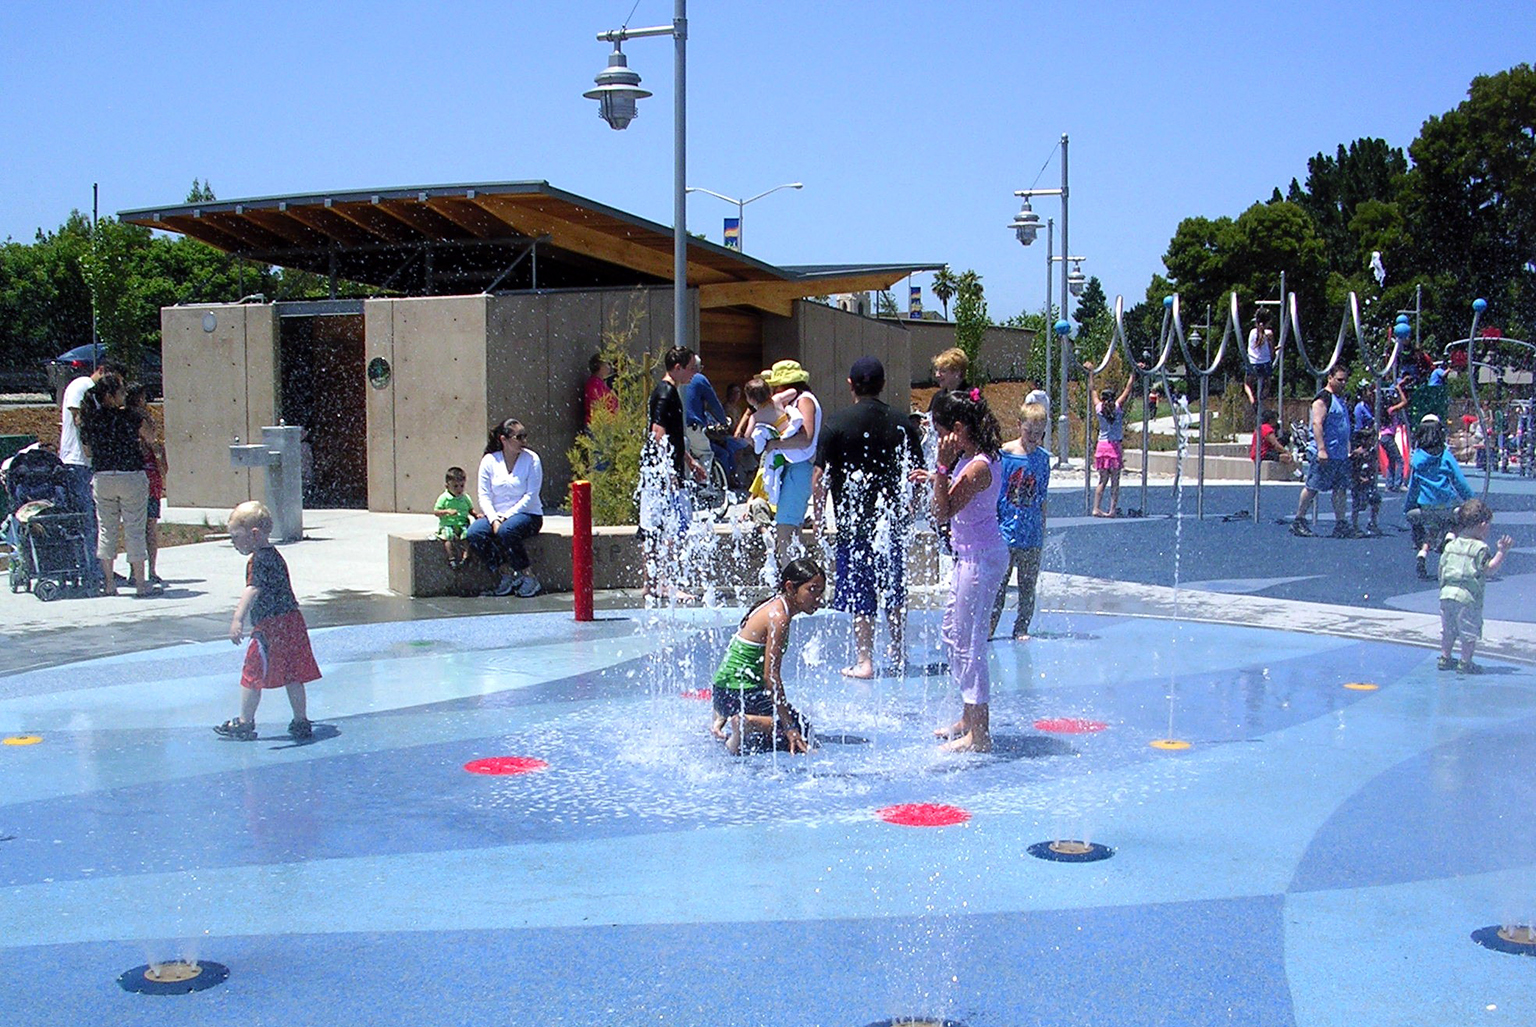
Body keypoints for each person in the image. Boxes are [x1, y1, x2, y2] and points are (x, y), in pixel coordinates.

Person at [811, 356, 923, 678]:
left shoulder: (836, 423)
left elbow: (819, 477)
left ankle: (865, 661)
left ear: (850, 384)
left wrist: (819, 518)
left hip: (853, 527)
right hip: (891, 526)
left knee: (861, 593)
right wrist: (911, 510)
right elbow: (916, 475)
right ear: (883, 385)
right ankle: (899, 653)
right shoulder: (902, 423)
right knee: (893, 589)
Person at [918, 388, 1010, 753]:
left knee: (970, 643)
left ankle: (980, 735)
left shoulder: (976, 466)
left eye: (940, 433)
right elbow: (956, 493)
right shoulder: (974, 457)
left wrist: (941, 468)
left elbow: (942, 513)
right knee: (953, 634)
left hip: (981, 559)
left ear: (957, 429)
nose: (938, 440)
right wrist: (935, 475)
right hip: (971, 556)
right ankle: (969, 717)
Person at [215, 501, 321, 740]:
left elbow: (252, 589)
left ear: (253, 534)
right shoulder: (275, 556)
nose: (233, 543)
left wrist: (237, 619)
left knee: (252, 672)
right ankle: (301, 720)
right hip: (292, 621)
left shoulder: (258, 560)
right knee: (293, 673)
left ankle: (244, 723)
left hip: (269, 627)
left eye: (235, 537)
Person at [709, 558, 826, 756]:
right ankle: (745, 723)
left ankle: (734, 718)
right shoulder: (778, 617)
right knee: (803, 734)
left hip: (725, 692)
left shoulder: (772, 605)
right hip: (739, 692)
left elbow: (736, 658)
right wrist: (789, 727)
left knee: (794, 726)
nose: (818, 599)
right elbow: (771, 677)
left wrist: (722, 708)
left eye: (820, 592)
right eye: (812, 590)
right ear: (790, 587)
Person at [640, 347, 706, 598]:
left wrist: (689, 461)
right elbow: (658, 434)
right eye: (691, 368)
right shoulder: (666, 393)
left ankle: (652, 583)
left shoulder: (667, 391)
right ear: (677, 367)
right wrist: (669, 475)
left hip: (661, 472)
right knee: (669, 528)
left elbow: (672, 437)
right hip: (663, 476)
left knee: (654, 527)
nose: (695, 373)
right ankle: (662, 583)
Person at [80, 372, 153, 597]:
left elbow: (88, 450)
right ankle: (141, 584)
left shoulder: (91, 418)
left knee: (106, 530)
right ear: (111, 396)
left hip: (103, 476)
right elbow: (150, 437)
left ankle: (109, 583)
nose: (124, 395)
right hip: (130, 474)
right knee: (134, 529)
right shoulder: (130, 417)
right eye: (121, 391)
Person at [991, 401, 1050, 640]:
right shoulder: (1004, 455)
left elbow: (1043, 497)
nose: (1034, 437)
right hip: (1005, 531)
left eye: (1039, 433)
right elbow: (994, 493)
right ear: (1019, 426)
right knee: (998, 586)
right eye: (1029, 431)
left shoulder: (1043, 459)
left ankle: (1021, 627)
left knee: (1027, 586)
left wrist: (1042, 528)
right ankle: (989, 626)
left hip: (1031, 533)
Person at [467, 418, 544, 597]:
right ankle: (505, 571)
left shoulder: (532, 459)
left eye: (525, 436)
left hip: (527, 514)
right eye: (519, 437)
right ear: (504, 439)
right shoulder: (489, 461)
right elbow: (484, 495)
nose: (524, 441)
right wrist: (493, 518)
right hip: (496, 515)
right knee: (475, 533)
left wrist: (503, 518)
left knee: (507, 531)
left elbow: (531, 495)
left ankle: (528, 576)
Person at [58, 360, 117, 588]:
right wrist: (89, 447)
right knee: (87, 520)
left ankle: (101, 567)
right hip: (77, 462)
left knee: (97, 519)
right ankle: (92, 569)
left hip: (88, 464)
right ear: (100, 371)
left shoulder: (91, 391)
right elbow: (78, 418)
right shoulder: (82, 385)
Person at [1437, 498, 1513, 675]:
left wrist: (1443, 586)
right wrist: (1502, 552)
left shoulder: (1451, 545)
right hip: (1467, 597)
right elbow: (1489, 569)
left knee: (1448, 629)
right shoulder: (1480, 548)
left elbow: (1442, 567)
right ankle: (1465, 662)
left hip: (1447, 594)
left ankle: (1445, 657)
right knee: (1468, 631)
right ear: (1482, 524)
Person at [758, 360, 821, 567]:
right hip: (794, 469)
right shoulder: (796, 401)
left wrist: (775, 444)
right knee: (790, 530)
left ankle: (794, 581)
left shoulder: (804, 400)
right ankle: (795, 581)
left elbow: (806, 437)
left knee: (786, 528)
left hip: (800, 469)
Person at [1405, 413, 1474, 579]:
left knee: (1433, 525)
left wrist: (1409, 507)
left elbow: (1413, 488)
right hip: (1447, 505)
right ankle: (1450, 536)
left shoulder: (1417, 459)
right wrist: (1472, 500)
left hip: (1426, 508)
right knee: (1456, 519)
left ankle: (1423, 552)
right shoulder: (1445, 456)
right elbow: (1459, 482)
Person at [1292, 365, 1353, 538]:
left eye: (1345, 380)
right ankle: (1299, 520)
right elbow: (1317, 423)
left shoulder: (1340, 399)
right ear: (1330, 378)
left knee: (1340, 489)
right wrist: (1321, 449)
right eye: (1339, 379)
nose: (1343, 383)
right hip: (1326, 453)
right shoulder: (1323, 399)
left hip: (1340, 454)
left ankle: (1341, 523)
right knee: (1312, 487)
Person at [126, 383, 167, 586]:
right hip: (144, 480)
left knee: (139, 527)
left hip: (146, 481)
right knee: (147, 527)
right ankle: (147, 570)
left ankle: (138, 571)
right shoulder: (136, 419)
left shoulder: (126, 418)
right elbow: (160, 460)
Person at [743, 376, 802, 509]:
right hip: (790, 441)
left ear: (750, 399)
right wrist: (783, 400)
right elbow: (793, 391)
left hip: (775, 448)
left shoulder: (756, 417)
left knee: (771, 476)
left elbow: (747, 436)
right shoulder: (777, 400)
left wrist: (757, 444)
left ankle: (769, 503)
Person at [1087, 371, 1136, 517]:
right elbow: (1127, 389)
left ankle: (1096, 507)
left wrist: (1091, 374)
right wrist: (1133, 373)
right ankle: (1112, 510)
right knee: (1115, 481)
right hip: (1114, 447)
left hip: (1101, 446)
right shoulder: (1117, 407)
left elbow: (1092, 390)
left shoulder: (1099, 408)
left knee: (1102, 480)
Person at [683, 358, 730, 482]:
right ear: (696, 367)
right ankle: (704, 485)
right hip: (692, 426)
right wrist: (723, 421)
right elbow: (714, 403)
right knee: (705, 453)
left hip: (675, 426)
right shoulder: (699, 378)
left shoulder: (677, 378)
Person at [433, 466, 477, 570]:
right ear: (447, 486)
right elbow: (436, 512)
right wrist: (447, 511)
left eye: (461, 486)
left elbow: (471, 509)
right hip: (448, 524)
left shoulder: (465, 498)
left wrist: (476, 515)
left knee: (467, 536)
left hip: (462, 524)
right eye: (455, 486)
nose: (459, 489)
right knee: (448, 538)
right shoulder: (444, 498)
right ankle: (451, 558)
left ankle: (466, 555)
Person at [1349, 425, 1383, 537]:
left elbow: (1373, 466)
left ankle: (1372, 522)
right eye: (1371, 439)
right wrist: (1359, 478)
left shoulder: (1372, 452)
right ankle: (1354, 524)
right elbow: (1352, 470)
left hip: (1370, 482)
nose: (1372, 442)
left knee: (1375, 500)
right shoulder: (1357, 454)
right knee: (1358, 505)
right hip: (1358, 484)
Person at [1381, 378, 1410, 490]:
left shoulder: (1383, 409)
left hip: (1384, 437)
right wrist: (1399, 390)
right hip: (1388, 437)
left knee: (1392, 461)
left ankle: (1389, 484)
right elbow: (1404, 402)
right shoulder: (1391, 409)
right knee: (1399, 460)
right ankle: (1398, 483)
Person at [1243, 314, 1277, 406]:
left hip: (1253, 364)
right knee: (1268, 383)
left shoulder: (1252, 332)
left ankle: (1252, 399)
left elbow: (1256, 347)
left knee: (1247, 384)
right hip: (1265, 364)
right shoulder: (1269, 333)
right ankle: (1263, 396)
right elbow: (1271, 351)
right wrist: (1275, 352)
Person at [583, 354, 618, 427]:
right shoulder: (594, 384)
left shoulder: (600, 383)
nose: (609, 367)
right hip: (598, 425)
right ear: (600, 367)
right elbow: (600, 404)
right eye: (607, 364)